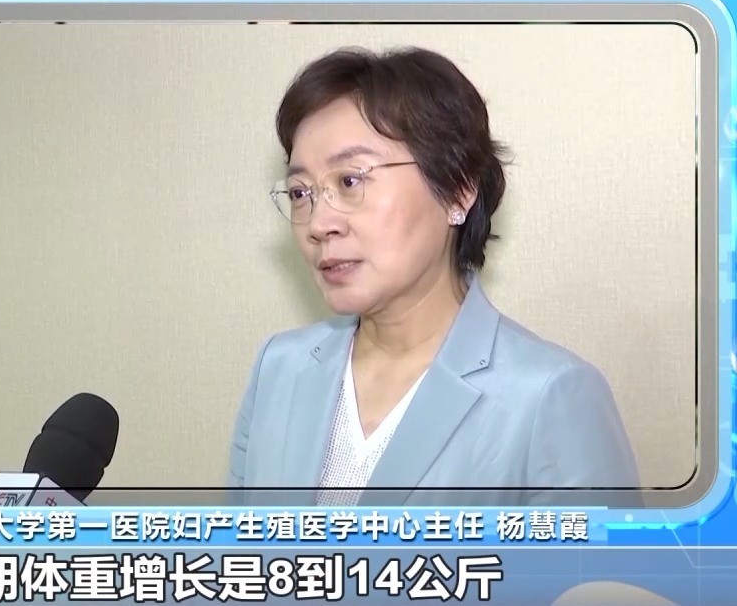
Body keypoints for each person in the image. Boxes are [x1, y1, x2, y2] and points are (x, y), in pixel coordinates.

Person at [226, 46, 640, 507]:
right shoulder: (277, 368)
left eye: (350, 181)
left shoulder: (551, 396)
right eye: (300, 192)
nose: (319, 224)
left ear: (458, 191)